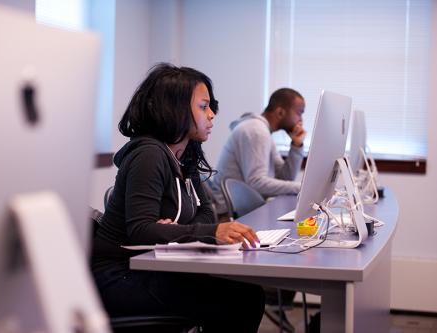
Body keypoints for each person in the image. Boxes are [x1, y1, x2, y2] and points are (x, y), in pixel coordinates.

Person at [90, 63, 265, 332]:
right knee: (242, 299)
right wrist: (208, 232)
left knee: (247, 295)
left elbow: (207, 212)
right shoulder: (148, 155)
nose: (213, 115)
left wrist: (177, 230)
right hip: (119, 275)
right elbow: (140, 231)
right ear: (175, 108)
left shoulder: (186, 155)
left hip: (153, 266)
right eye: (204, 106)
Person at [208, 88, 307, 219]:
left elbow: (285, 177)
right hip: (229, 216)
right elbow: (256, 182)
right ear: (280, 112)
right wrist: (301, 188)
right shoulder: (256, 131)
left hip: (246, 209)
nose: (301, 120)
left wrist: (296, 146)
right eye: (299, 113)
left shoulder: (263, 131)